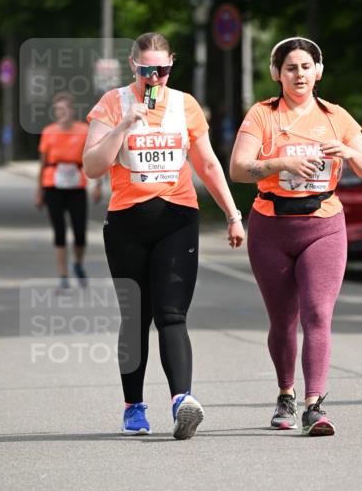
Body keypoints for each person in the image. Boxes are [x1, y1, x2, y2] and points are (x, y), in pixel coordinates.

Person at [83, 31, 245, 439]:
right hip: (126, 222)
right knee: (135, 317)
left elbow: (207, 163)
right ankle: (133, 407)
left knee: (172, 315)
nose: (155, 78)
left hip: (177, 219)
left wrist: (232, 214)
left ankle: (182, 403)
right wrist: (123, 124)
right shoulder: (112, 103)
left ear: (173, 63)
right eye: (147, 69)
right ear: (132, 65)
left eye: (164, 69)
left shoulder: (185, 105)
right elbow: (91, 166)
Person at [230, 36, 362, 436]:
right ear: (277, 73)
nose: (299, 74)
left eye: (306, 67)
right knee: (283, 320)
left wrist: (348, 153)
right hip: (271, 225)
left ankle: (316, 405)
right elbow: (239, 169)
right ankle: (285, 393)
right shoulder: (263, 115)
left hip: (324, 224)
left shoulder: (337, 117)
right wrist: (281, 163)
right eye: (291, 67)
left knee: (318, 314)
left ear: (319, 72)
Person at [36, 91, 102, 289]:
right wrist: (39, 191)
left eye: (64, 109)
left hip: (76, 186)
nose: (61, 113)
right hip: (53, 185)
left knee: (80, 231)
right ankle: (63, 275)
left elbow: (94, 158)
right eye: (58, 110)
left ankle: (78, 264)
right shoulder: (49, 132)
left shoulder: (83, 130)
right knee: (59, 231)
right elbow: (42, 163)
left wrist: (97, 184)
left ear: (72, 111)